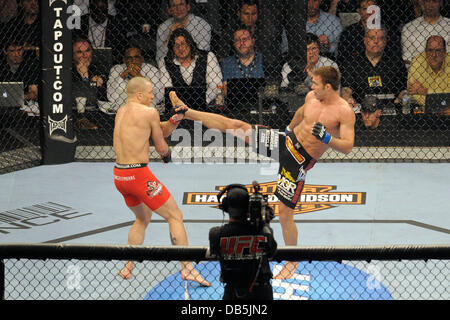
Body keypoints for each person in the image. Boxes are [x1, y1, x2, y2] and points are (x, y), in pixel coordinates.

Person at [172, 66, 356, 279]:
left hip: (298, 161)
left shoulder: (344, 111)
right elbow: (301, 112)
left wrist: (327, 139)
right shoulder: (311, 97)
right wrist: (289, 127)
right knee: (237, 126)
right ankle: (188, 112)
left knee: (286, 214)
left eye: (315, 83)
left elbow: (348, 146)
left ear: (328, 86)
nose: (311, 86)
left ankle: (292, 262)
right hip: (286, 142)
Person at [113, 76, 211, 286]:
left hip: (120, 176)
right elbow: (161, 146)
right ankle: (187, 268)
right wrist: (167, 156)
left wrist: (175, 120)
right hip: (138, 175)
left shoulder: (121, 112)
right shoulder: (149, 112)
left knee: (142, 218)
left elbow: (159, 128)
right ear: (139, 94)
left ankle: (127, 266)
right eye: (150, 92)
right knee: (175, 215)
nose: (153, 96)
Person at [209, 183, 277, 300]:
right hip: (261, 293)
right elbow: (271, 252)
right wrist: (265, 223)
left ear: (225, 207)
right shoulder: (263, 232)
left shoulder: (216, 234)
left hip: (232, 292)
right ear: (248, 207)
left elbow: (215, 252)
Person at [340, 26, 407, 108]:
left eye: (380, 38)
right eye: (372, 38)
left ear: (385, 41)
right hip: (360, 108)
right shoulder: (352, 62)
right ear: (365, 40)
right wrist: (348, 98)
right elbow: (346, 89)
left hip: (391, 107)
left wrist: (399, 100)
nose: (376, 41)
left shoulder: (396, 62)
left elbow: (404, 89)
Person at [159, 28, 222, 109]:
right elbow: (167, 87)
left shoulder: (208, 56)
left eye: (183, 44)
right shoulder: (166, 62)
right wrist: (180, 106)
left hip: (205, 106)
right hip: (178, 107)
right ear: (172, 48)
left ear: (189, 44)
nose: (180, 48)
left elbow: (215, 85)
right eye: (176, 45)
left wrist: (202, 102)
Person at [107, 46, 163, 112]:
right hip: (124, 109)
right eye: (129, 58)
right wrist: (124, 74)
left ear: (142, 59)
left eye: (136, 57)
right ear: (124, 60)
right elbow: (112, 97)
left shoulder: (151, 70)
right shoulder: (117, 69)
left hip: (146, 109)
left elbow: (159, 97)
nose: (133, 60)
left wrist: (139, 76)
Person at [73, 0, 126, 65]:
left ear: (107, 9)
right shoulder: (79, 22)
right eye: (97, 11)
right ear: (90, 9)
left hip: (111, 63)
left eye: (103, 11)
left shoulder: (117, 23)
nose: (100, 14)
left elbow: (121, 49)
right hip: (83, 61)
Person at [401, 0, 450, 68]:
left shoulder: (448, 26)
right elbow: (408, 58)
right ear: (422, 3)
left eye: (434, 1)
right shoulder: (409, 28)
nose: (431, 4)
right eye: (427, 1)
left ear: (441, 2)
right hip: (417, 74)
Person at [72, 38, 108, 129]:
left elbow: (101, 88)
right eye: (79, 52)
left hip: (95, 108)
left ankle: (82, 121)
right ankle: (81, 120)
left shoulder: (99, 65)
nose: (84, 55)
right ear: (73, 55)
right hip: (72, 107)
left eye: (87, 51)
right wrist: (89, 82)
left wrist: (85, 77)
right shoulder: (67, 67)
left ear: (91, 51)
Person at [407, 35, 449, 108]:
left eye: (438, 50)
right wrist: (443, 103)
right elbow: (413, 94)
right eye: (430, 50)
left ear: (444, 52)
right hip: (423, 111)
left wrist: (426, 92)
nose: (434, 55)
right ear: (425, 52)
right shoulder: (417, 62)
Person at [220, 26, 265, 94]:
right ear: (234, 44)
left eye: (245, 39)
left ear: (252, 41)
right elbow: (226, 91)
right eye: (237, 40)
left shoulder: (264, 60)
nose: (241, 43)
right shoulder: (226, 63)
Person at [0, 38, 39, 114]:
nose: (16, 54)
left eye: (19, 50)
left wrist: (14, 98)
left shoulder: (30, 65)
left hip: (25, 104)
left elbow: (34, 93)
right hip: (3, 104)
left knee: (34, 108)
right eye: (12, 51)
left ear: (23, 50)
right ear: (5, 51)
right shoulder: (2, 66)